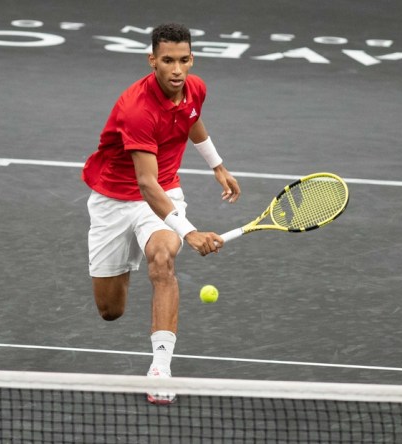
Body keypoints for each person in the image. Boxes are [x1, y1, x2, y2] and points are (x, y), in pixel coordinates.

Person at [81, 23, 241, 404]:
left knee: (162, 260)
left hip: (165, 192)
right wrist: (189, 231)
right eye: (167, 60)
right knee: (110, 310)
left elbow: (192, 118)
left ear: (192, 59)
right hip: (116, 199)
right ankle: (129, 260)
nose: (176, 70)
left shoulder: (194, 87)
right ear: (152, 60)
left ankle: (160, 368)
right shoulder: (136, 108)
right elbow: (145, 184)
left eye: (184, 60)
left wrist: (217, 165)